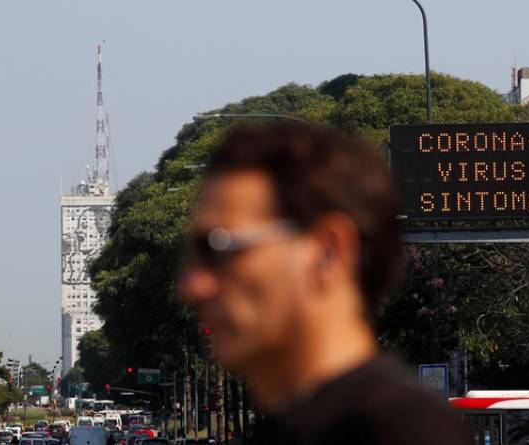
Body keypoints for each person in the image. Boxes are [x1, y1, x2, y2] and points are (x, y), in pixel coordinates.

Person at [177, 122, 470, 445]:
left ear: (328, 252)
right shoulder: (298, 427)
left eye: (218, 248)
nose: (192, 285)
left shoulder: (399, 429)